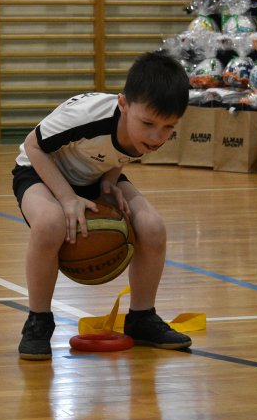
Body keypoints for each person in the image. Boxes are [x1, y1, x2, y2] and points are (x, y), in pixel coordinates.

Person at [12, 51, 193, 360]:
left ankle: (142, 318)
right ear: (123, 104)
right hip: (40, 170)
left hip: (94, 175)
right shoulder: (85, 117)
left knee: (152, 227)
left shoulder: (146, 130)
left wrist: (110, 181)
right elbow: (33, 146)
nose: (157, 136)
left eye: (168, 127)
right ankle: (38, 321)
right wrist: (66, 197)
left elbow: (118, 152)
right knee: (50, 224)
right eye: (149, 124)